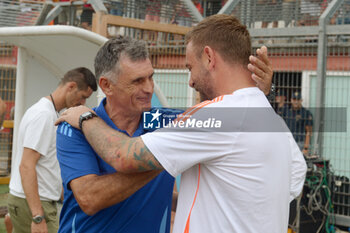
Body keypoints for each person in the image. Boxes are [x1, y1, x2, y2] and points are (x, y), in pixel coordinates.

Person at [57, 15, 306, 233]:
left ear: (208, 57)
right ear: (106, 86)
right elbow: (90, 198)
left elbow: (125, 154)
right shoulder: (72, 128)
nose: (149, 88)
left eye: (151, 77)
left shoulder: (164, 121)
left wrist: (172, 156)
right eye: (137, 80)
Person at [8, 67, 97, 233]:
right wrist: (37, 216)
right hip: (34, 204)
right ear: (70, 87)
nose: (83, 103)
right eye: (83, 96)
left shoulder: (50, 113)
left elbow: (48, 166)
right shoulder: (43, 115)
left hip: (33, 201)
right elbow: (26, 166)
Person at [285, 91, 313, 156]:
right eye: (294, 99)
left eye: (298, 99)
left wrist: (306, 148)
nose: (296, 102)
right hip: (287, 142)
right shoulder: (286, 112)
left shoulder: (306, 113)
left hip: (300, 143)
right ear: (291, 100)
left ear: (301, 100)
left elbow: (309, 132)